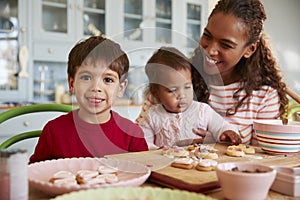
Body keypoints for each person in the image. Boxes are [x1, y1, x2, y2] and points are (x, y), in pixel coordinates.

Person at [137, 0, 289, 145]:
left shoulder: (264, 96)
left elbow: (262, 159)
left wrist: (219, 142)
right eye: (207, 36)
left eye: (226, 44)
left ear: (249, 49)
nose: (209, 50)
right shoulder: (173, 79)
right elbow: (139, 139)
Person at [29, 35, 148, 163]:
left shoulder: (132, 134)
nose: (96, 88)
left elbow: (145, 175)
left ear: (121, 88)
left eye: (108, 80)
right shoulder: (53, 131)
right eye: (86, 78)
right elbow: (35, 173)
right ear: (71, 83)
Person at [137, 47, 241, 150]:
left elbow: (221, 126)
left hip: (198, 163)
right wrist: (156, 150)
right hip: (165, 164)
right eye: (172, 90)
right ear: (156, 93)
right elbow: (143, 143)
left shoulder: (202, 111)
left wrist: (227, 133)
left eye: (187, 87)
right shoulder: (151, 116)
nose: (182, 95)